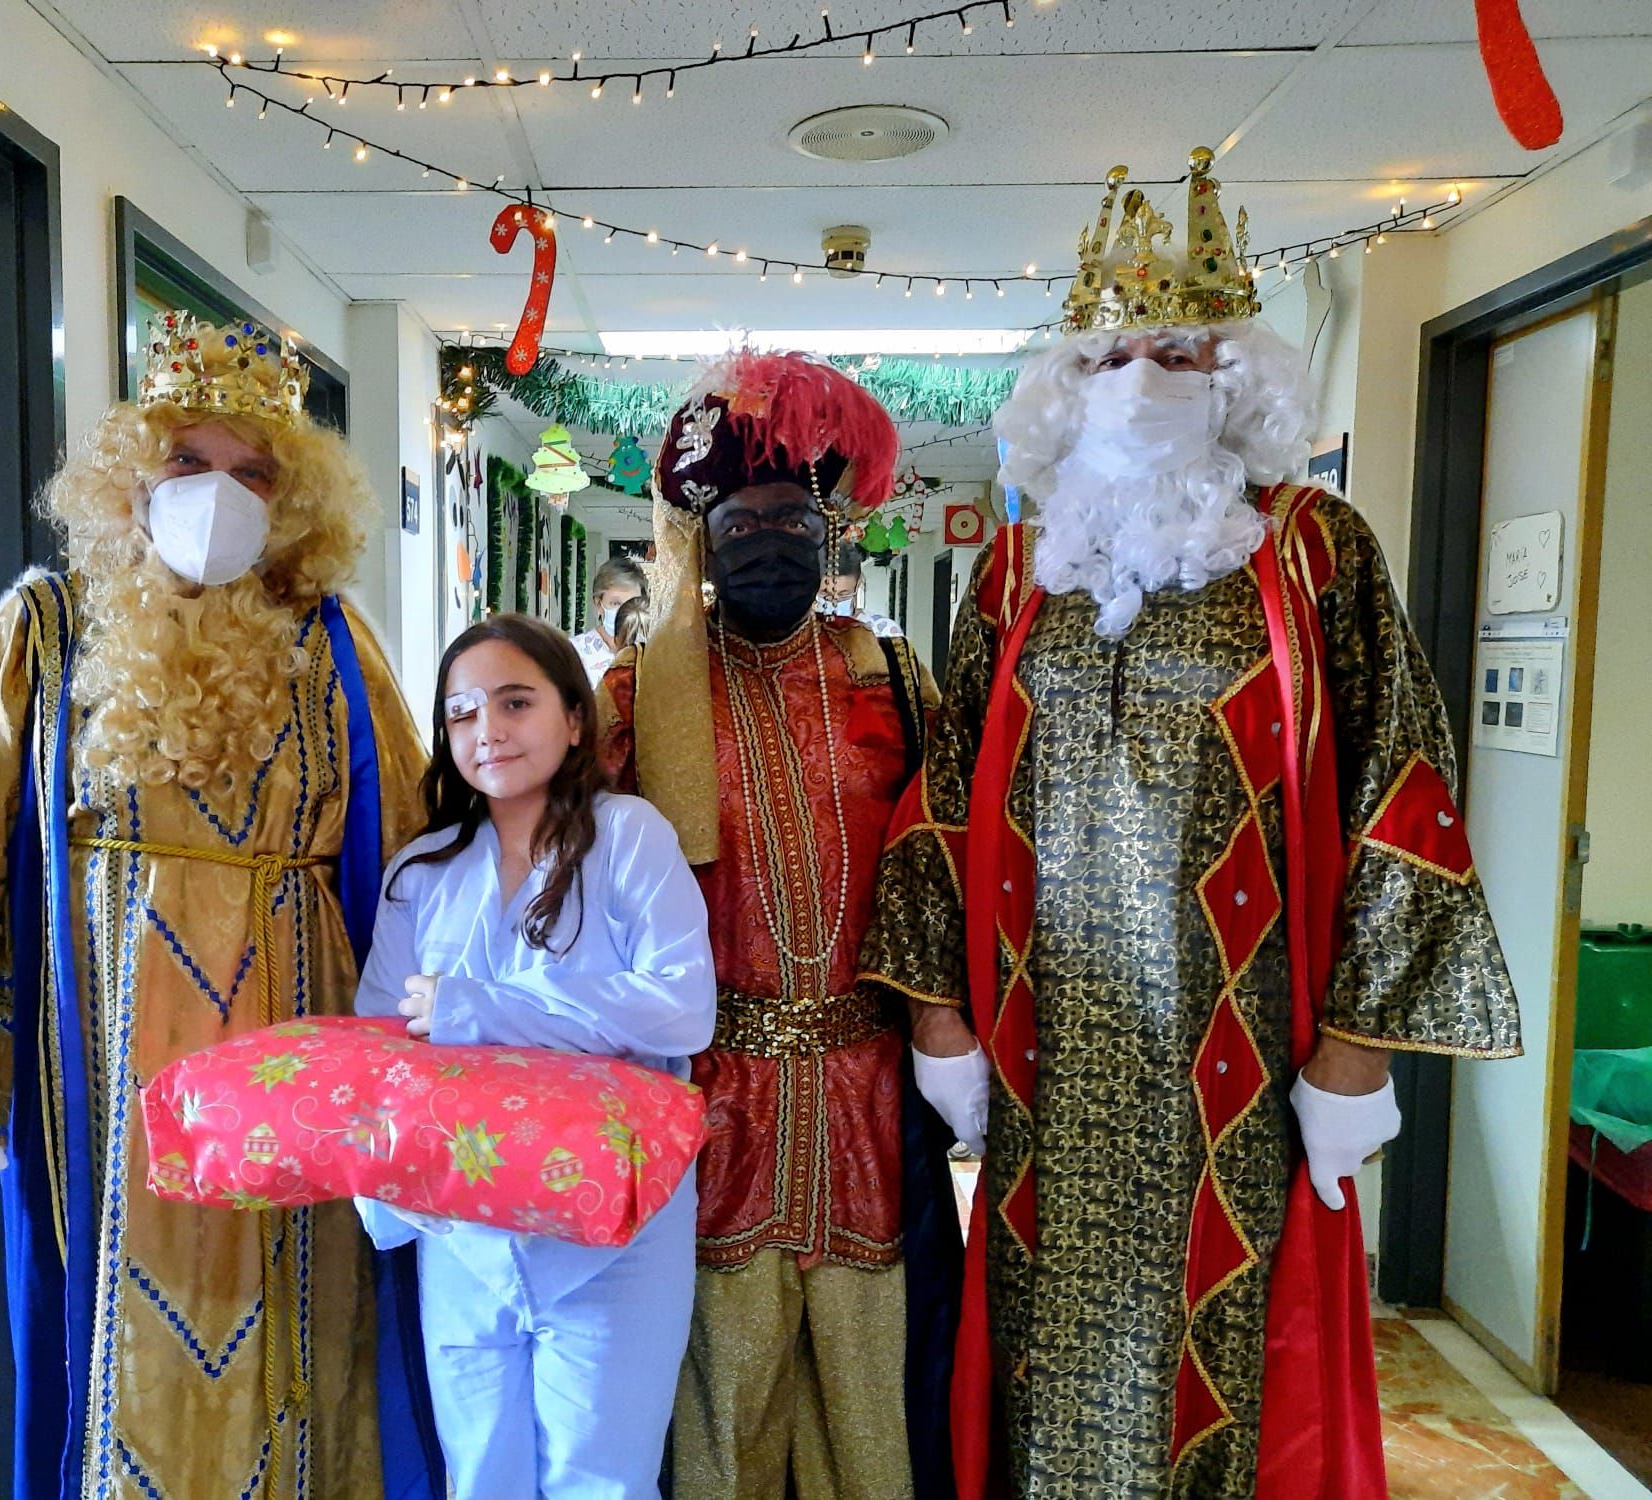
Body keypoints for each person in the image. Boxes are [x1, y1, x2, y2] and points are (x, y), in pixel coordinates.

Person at [860, 150, 1522, 1499]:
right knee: (1047, 1370)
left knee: (1231, 1375)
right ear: (1069, 385)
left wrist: (1350, 1055)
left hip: (1242, 1071)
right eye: (1114, 355)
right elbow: (937, 794)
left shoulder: (1313, 551)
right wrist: (939, 1019)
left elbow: (1403, 787)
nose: (1145, 377)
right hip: (1047, 1067)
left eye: (1179, 348)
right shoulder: (1015, 570)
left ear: (1236, 374)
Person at [0, 312, 440, 1500]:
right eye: (189, 466)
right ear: (131, 480)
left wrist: (435, 1058)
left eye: (252, 473)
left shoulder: (333, 643)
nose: (219, 495)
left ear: (295, 498)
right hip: (106, 1057)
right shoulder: (42, 633)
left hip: (298, 1056)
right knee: (126, 1331)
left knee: (306, 1338)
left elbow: (411, 853)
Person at [597, 349, 962, 1500]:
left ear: (828, 529)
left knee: (873, 1391)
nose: (769, 537)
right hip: (713, 1092)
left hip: (870, 1088)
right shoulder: (635, 696)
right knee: (723, 1393)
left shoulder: (889, 680)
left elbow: (952, 859)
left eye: (791, 516)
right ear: (702, 538)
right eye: (743, 517)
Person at [354, 614, 715, 1500]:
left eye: (516, 702)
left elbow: (680, 1011)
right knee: (479, 1477)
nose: (488, 731)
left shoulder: (630, 838)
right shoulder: (422, 873)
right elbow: (381, 1045)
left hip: (614, 1233)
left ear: (575, 718)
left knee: (605, 1480)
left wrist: (479, 1010)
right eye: (462, 713)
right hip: (465, 1233)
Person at [572, 555, 651, 686]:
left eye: (632, 603)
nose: (624, 611)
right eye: (615, 603)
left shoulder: (653, 652)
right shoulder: (574, 653)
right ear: (598, 604)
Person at [818, 540, 903, 638]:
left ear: (858, 583)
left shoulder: (885, 632)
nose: (834, 601)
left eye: (843, 594)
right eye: (825, 593)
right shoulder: (802, 631)